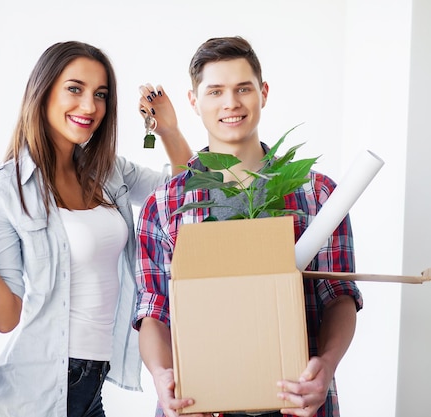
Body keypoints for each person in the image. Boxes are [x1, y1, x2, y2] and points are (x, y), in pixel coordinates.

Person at [0, 41, 193, 417]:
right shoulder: (4, 189)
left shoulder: (108, 171)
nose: (89, 106)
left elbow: (185, 196)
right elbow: (5, 317)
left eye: (100, 94)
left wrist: (169, 131)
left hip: (90, 390)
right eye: (74, 89)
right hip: (31, 396)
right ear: (43, 91)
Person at [132, 36, 363, 417]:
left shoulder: (317, 193)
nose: (231, 103)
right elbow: (154, 309)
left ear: (263, 92)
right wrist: (161, 374)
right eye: (215, 91)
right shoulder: (166, 203)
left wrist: (328, 366)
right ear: (194, 101)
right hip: (198, 405)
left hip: (296, 404)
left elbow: (338, 293)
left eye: (243, 88)